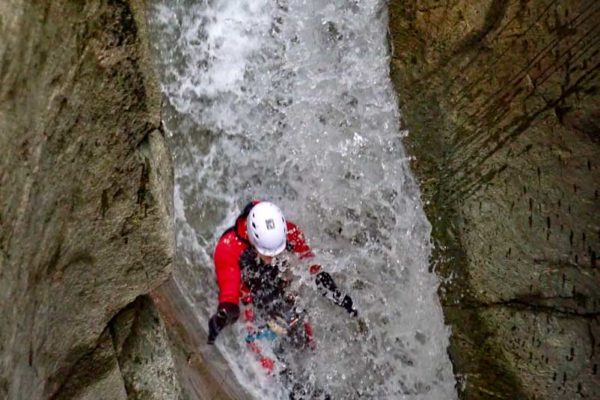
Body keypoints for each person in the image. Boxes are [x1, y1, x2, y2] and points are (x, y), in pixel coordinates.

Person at [207, 200, 359, 377]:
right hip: (249, 298)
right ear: (253, 239)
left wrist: (342, 300)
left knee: (307, 349)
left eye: (277, 252)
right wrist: (224, 314)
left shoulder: (290, 232)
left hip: (279, 289)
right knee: (273, 371)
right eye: (269, 254)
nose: (274, 258)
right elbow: (230, 296)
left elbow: (313, 270)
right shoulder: (228, 249)